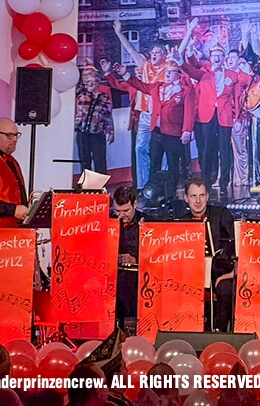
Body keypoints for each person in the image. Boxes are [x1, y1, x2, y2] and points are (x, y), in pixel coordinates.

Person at [104, 59, 196, 191]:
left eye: (171, 72)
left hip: (173, 133)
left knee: (173, 165)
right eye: (167, 71)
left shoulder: (185, 90)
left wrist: (187, 130)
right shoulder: (157, 87)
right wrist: (125, 74)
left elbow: (189, 111)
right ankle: (153, 192)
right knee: (154, 163)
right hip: (156, 132)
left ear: (179, 74)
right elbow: (140, 85)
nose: (167, 74)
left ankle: (170, 193)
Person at [183, 44, 251, 194]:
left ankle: (224, 184)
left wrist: (238, 118)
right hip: (206, 117)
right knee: (207, 149)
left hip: (224, 117)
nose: (217, 58)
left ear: (224, 58)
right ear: (210, 57)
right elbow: (190, 68)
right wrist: (183, 59)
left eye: (220, 55)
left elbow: (237, 97)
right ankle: (206, 182)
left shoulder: (232, 75)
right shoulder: (204, 73)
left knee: (225, 150)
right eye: (214, 55)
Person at [178, 177, 235, 332]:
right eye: (193, 196)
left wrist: (230, 274)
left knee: (226, 288)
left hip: (219, 272)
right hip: (190, 273)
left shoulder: (222, 215)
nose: (198, 201)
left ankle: (220, 331)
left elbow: (235, 247)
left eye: (201, 195)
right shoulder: (180, 221)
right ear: (186, 198)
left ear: (208, 196)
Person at [75, 62, 114, 174]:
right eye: (88, 81)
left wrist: (111, 132)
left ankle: (100, 184)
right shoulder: (81, 94)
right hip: (82, 132)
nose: (91, 83)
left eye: (93, 81)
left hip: (98, 133)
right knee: (84, 161)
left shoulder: (104, 98)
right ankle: (86, 183)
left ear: (98, 83)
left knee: (100, 161)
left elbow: (107, 116)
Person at [112, 186, 142, 322]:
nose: (121, 215)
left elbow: (156, 254)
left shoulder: (148, 222)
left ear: (135, 204)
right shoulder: (107, 221)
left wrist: (135, 259)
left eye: (125, 211)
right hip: (112, 276)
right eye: (117, 211)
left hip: (137, 278)